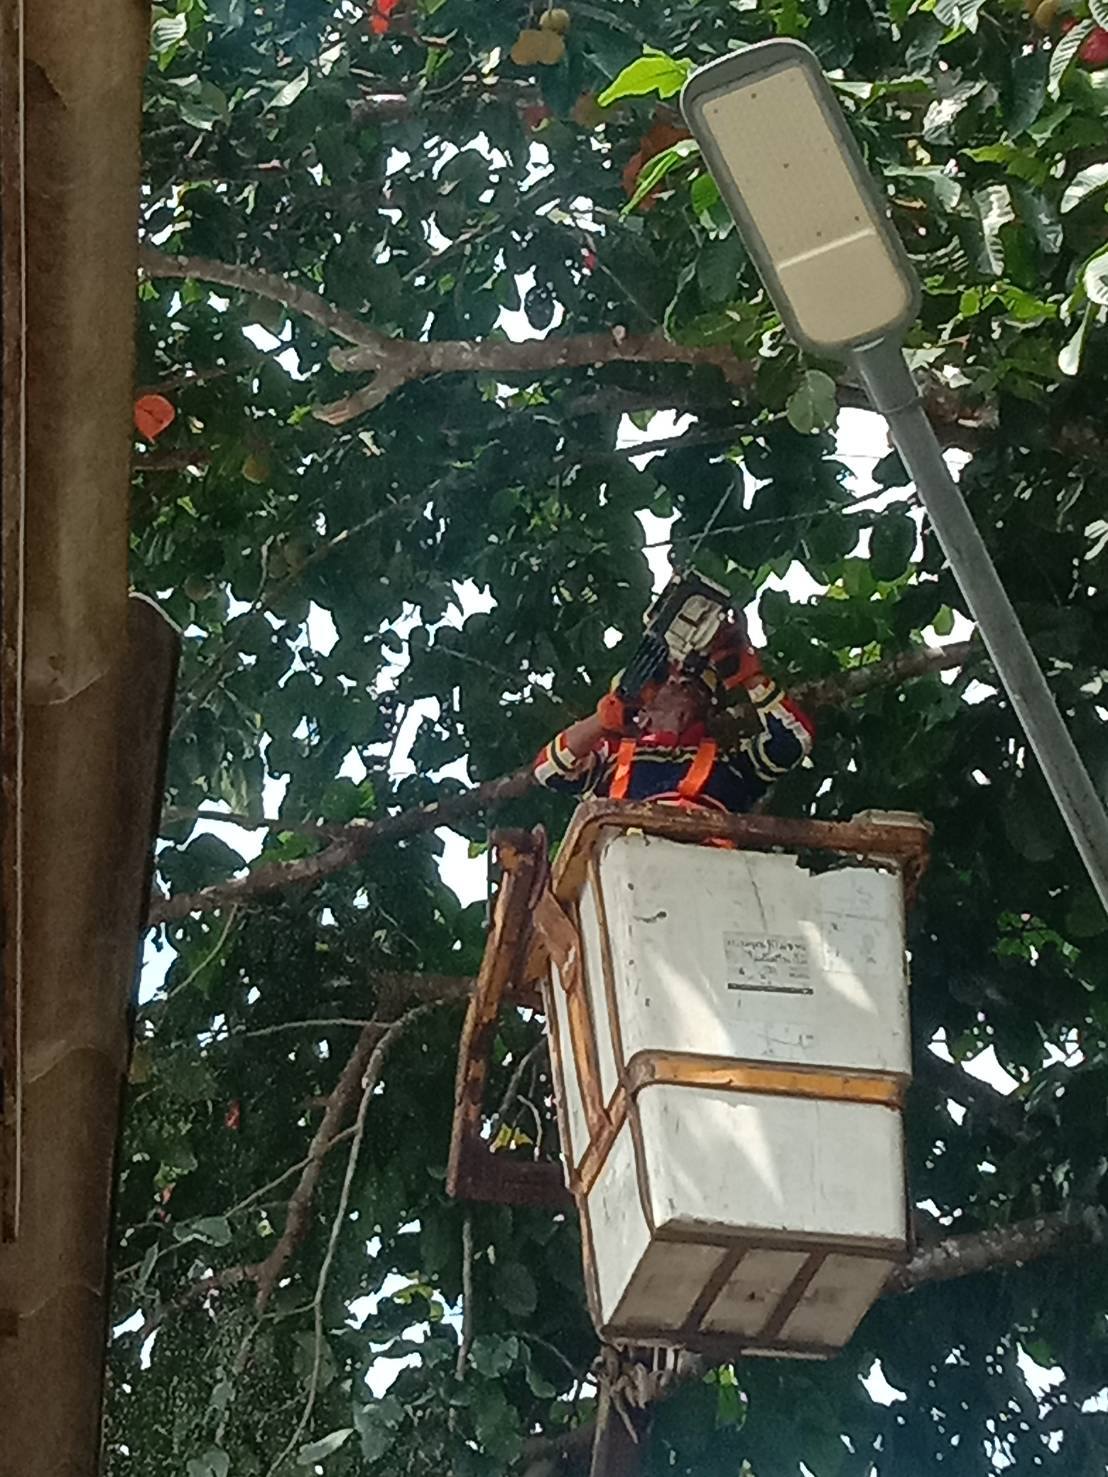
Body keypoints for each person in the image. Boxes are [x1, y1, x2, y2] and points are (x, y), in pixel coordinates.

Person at [533, 616, 813, 813]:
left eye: (694, 679)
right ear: (640, 707)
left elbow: (794, 741)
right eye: (664, 678)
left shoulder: (731, 758)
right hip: (630, 863)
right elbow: (549, 771)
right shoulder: (612, 757)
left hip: (711, 866)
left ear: (710, 702)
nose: (677, 680)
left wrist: (749, 676)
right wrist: (602, 720)